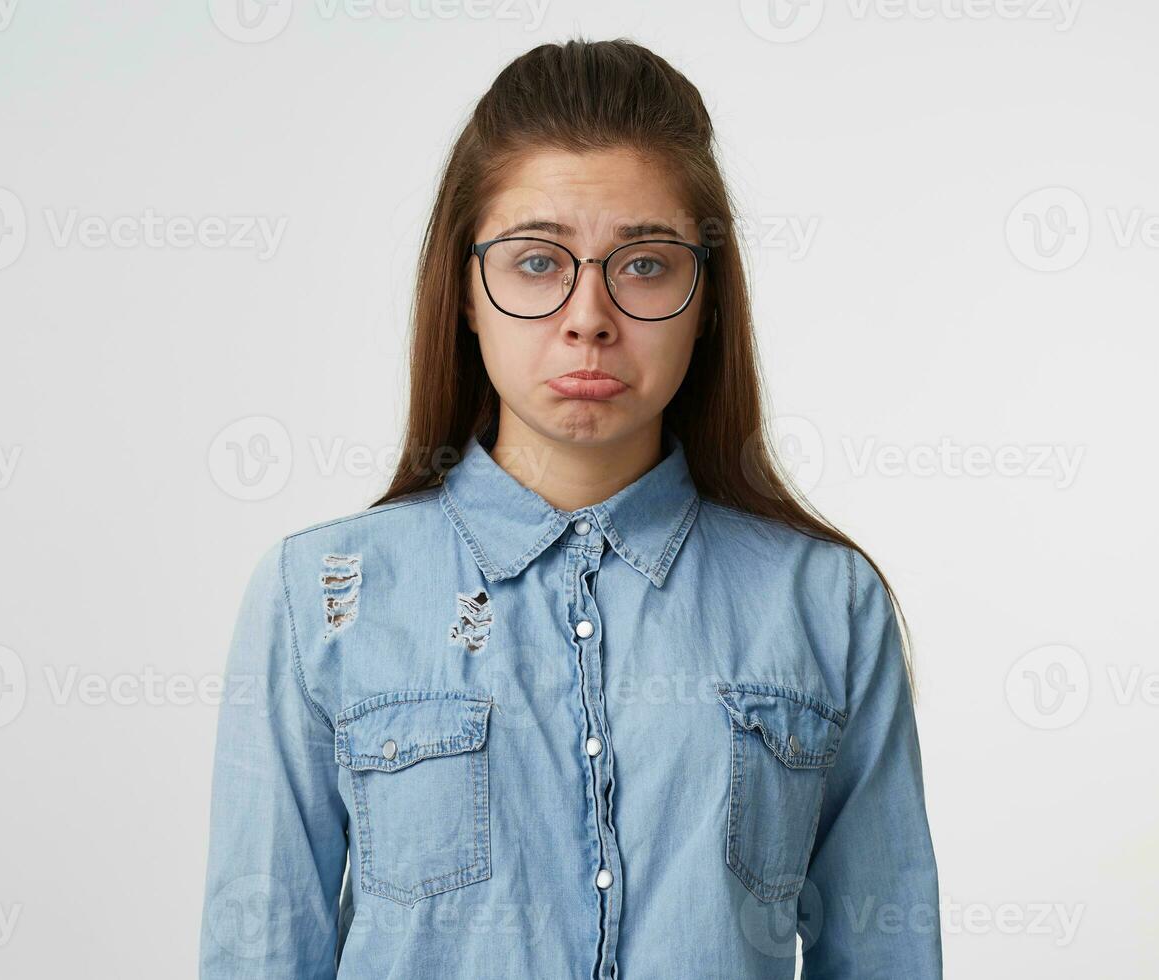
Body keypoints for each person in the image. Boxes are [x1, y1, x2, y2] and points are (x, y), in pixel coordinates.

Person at [199, 36, 940, 980]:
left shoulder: (824, 605)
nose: (589, 314)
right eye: (537, 262)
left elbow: (888, 955)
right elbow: (257, 954)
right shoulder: (321, 597)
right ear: (466, 290)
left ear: (706, 297)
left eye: (643, 264)